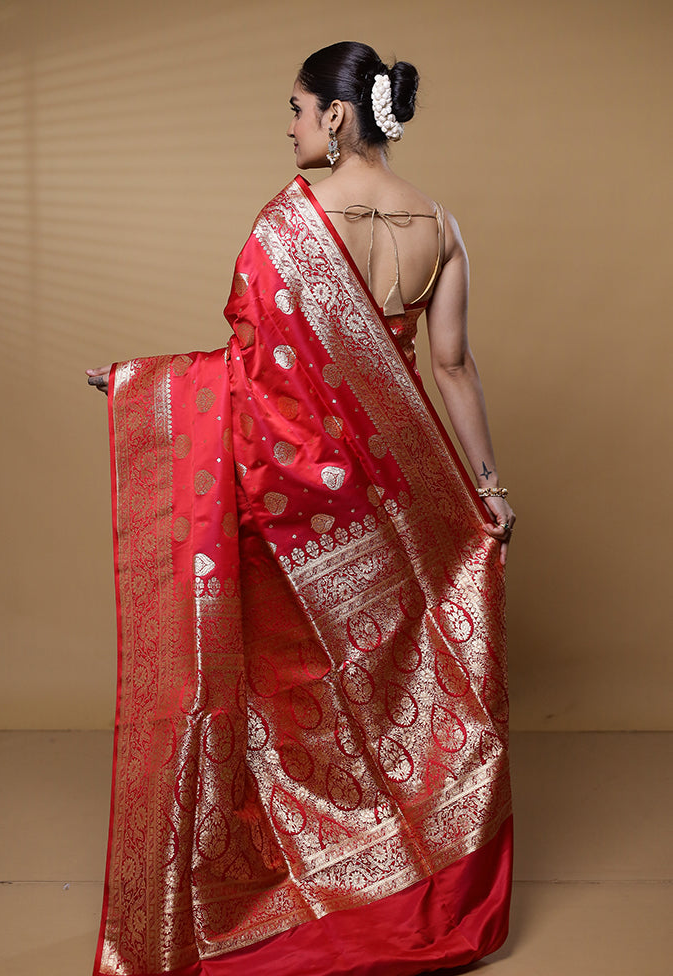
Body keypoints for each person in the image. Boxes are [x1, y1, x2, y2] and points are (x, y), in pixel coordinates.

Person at [87, 41, 515, 976]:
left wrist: (138, 388)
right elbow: (450, 368)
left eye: (294, 107)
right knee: (398, 686)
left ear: (335, 114)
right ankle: (413, 877)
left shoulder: (287, 225)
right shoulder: (438, 227)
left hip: (299, 501)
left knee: (299, 691)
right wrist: (488, 490)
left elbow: (246, 375)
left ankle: (319, 876)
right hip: (400, 497)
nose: (286, 125)